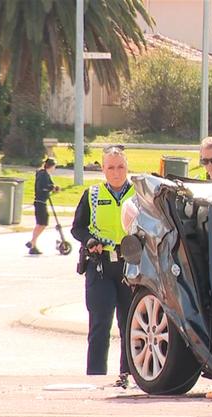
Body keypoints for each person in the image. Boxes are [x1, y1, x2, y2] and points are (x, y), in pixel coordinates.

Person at [70, 145, 135, 388]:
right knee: (100, 324)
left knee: (130, 324)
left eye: (120, 167)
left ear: (127, 167)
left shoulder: (138, 194)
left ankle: (128, 375)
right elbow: (78, 227)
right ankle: (96, 378)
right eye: (111, 167)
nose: (116, 172)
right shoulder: (93, 194)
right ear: (103, 169)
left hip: (131, 267)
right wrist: (90, 241)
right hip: (101, 267)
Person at [26, 158, 60, 255]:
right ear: (51, 166)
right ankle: (32, 242)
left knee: (41, 223)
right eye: (54, 166)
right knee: (42, 223)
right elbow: (42, 187)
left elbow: (48, 185)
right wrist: (51, 188)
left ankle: (33, 244)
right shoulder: (43, 175)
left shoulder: (44, 174)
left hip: (41, 201)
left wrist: (53, 188)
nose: (55, 168)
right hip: (40, 202)